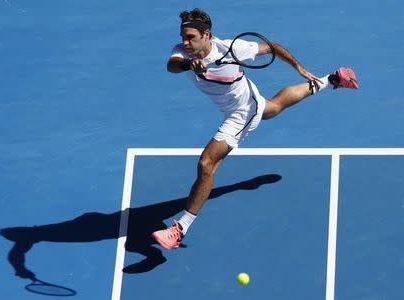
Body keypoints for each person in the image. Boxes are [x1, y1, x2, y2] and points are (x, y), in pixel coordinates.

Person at [151, 8, 358, 250]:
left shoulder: (233, 49)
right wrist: (190, 64)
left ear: (206, 35)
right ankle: (331, 80)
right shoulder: (182, 53)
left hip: (243, 112)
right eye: (183, 37)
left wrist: (298, 67)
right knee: (273, 107)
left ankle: (179, 229)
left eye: (190, 37)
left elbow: (273, 47)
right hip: (242, 104)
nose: (184, 42)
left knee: (207, 163)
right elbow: (172, 66)